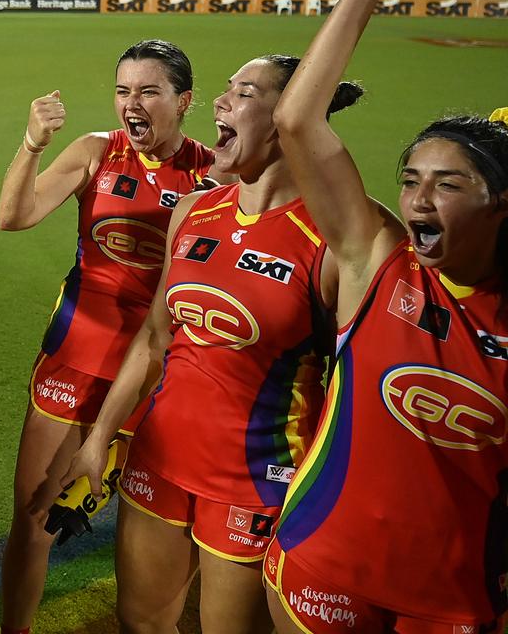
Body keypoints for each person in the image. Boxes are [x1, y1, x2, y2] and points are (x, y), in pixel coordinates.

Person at [44, 44, 365, 630]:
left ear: (294, 116)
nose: (220, 100)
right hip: (158, 461)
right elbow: (153, 339)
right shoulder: (194, 210)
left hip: (257, 481)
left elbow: (361, 380)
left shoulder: (332, 241)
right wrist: (99, 438)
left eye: (244, 94)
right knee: (139, 622)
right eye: (227, 89)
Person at [269, 0, 508, 632]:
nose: (419, 200)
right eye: (411, 181)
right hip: (323, 563)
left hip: (457, 597)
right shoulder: (377, 259)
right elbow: (297, 119)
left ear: (500, 204)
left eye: (448, 184)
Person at [0, 40, 214, 634]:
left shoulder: (214, 171)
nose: (131, 103)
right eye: (123, 91)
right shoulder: (97, 151)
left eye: (148, 91)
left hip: (165, 373)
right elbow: (14, 216)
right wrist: (33, 144)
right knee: (35, 515)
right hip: (76, 357)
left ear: (184, 100)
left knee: (162, 528)